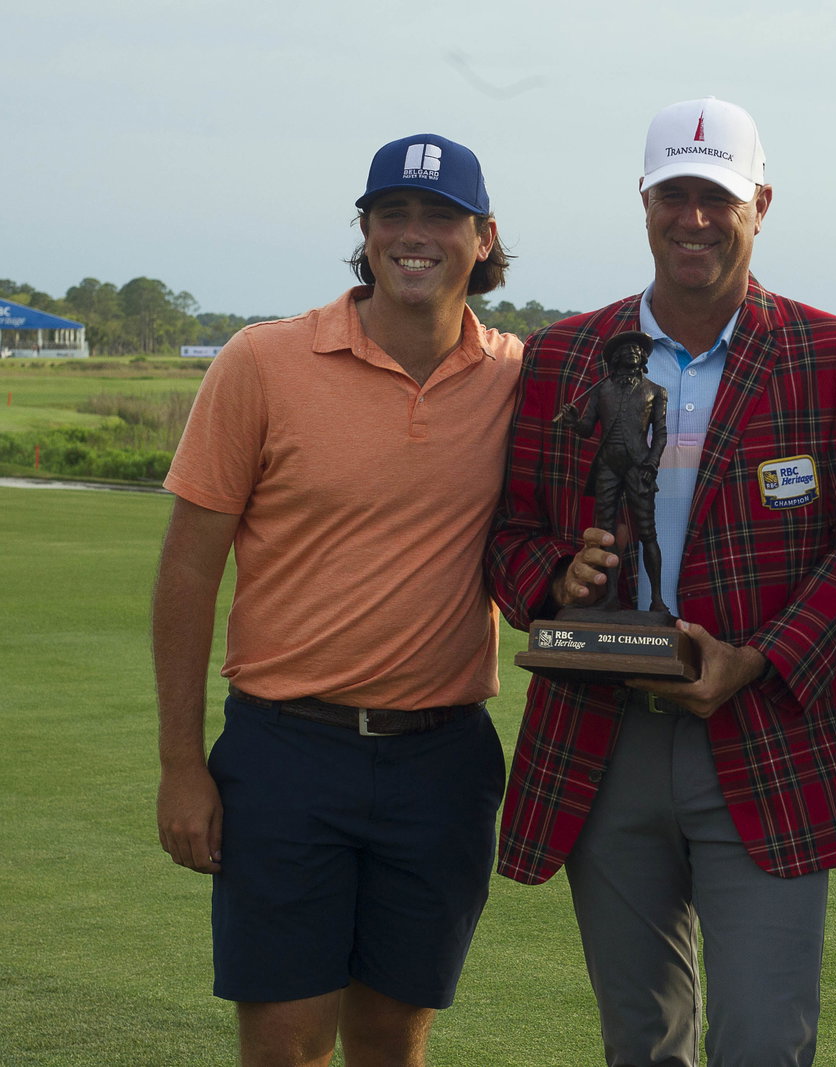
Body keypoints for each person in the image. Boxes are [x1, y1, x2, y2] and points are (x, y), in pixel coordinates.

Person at [486, 97, 836, 1066]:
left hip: (765, 732)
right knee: (641, 1040)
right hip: (604, 734)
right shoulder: (563, 355)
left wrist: (758, 658)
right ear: (644, 200)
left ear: (759, 201)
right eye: (676, 194)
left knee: (762, 1038)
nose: (695, 218)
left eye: (716, 196)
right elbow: (508, 534)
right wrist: (559, 576)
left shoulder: (832, 354)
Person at [153, 133, 521, 1066]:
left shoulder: (519, 377)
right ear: (363, 232)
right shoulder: (263, 361)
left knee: (393, 1036)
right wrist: (181, 765)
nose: (413, 235)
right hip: (286, 751)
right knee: (285, 1040)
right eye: (391, 214)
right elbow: (190, 570)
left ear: (482, 237)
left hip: (441, 760)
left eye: (439, 217)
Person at [555, 330, 671, 613]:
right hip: (607, 464)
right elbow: (587, 428)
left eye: (636, 349)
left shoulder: (656, 391)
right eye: (625, 349)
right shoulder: (601, 389)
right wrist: (573, 421)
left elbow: (661, 434)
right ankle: (609, 598)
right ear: (616, 359)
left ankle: (657, 599)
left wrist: (651, 464)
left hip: (638, 466)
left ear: (643, 358)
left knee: (647, 532)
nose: (631, 352)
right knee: (606, 533)